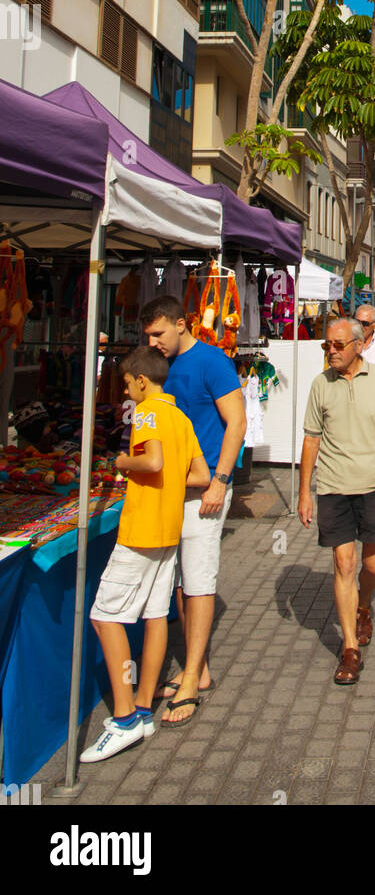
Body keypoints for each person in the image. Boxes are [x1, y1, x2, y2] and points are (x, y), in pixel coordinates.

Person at [81, 348, 210, 761]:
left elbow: (151, 461)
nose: (122, 389)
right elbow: (201, 475)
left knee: (105, 616)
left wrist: (123, 461)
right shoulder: (181, 417)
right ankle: (141, 707)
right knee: (155, 617)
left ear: (141, 380)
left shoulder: (148, 413)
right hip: (168, 529)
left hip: (141, 530)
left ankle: (124, 719)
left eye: (124, 382)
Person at [140, 295, 246, 726]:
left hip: (205, 488)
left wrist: (221, 481)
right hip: (169, 486)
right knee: (182, 582)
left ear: (182, 324)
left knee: (198, 579)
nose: (152, 341)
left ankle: (191, 683)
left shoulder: (213, 361)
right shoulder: (159, 365)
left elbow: (236, 422)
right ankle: (195, 669)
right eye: (147, 335)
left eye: (159, 333)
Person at [299, 317, 375, 684]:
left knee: (374, 567)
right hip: (333, 486)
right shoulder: (320, 385)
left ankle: (364, 605)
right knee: (344, 564)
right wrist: (304, 492)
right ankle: (350, 648)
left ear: (359, 345)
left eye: (337, 345)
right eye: (326, 345)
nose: (330, 351)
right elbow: (311, 440)